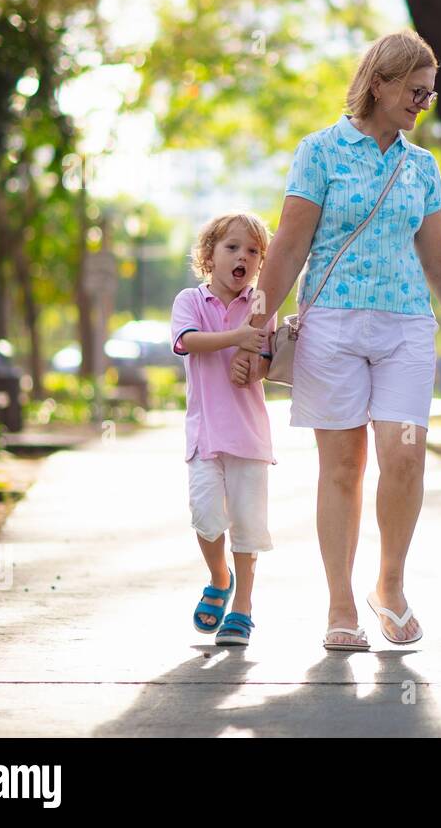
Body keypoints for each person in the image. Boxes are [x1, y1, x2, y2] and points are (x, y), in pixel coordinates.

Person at [230, 29, 441, 651]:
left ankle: (391, 585)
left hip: (407, 326)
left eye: (430, 96)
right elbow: (290, 245)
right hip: (333, 325)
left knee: (404, 455)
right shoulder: (319, 152)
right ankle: (340, 604)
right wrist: (256, 327)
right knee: (344, 466)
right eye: (415, 91)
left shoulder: (421, 166)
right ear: (378, 82)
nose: (422, 104)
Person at [170, 212, 276, 647]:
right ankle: (218, 576)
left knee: (248, 526)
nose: (243, 257)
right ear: (209, 254)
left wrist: (253, 367)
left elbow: (268, 359)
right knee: (207, 517)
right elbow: (188, 341)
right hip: (205, 436)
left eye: (253, 251)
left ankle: (244, 608)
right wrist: (236, 338)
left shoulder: (260, 306)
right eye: (232, 247)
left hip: (248, 437)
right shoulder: (190, 301)